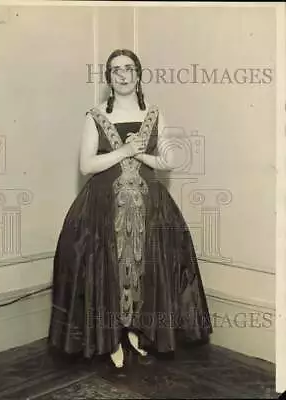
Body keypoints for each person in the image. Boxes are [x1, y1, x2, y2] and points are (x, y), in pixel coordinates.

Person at [48, 49, 213, 369]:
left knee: (150, 267)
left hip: (150, 204)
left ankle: (137, 332)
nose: (122, 75)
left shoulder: (154, 113)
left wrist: (139, 155)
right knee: (106, 268)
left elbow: (167, 161)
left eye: (128, 69)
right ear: (108, 79)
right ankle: (110, 339)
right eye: (115, 70)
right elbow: (86, 165)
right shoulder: (95, 115)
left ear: (138, 75)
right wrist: (123, 149)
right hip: (103, 206)